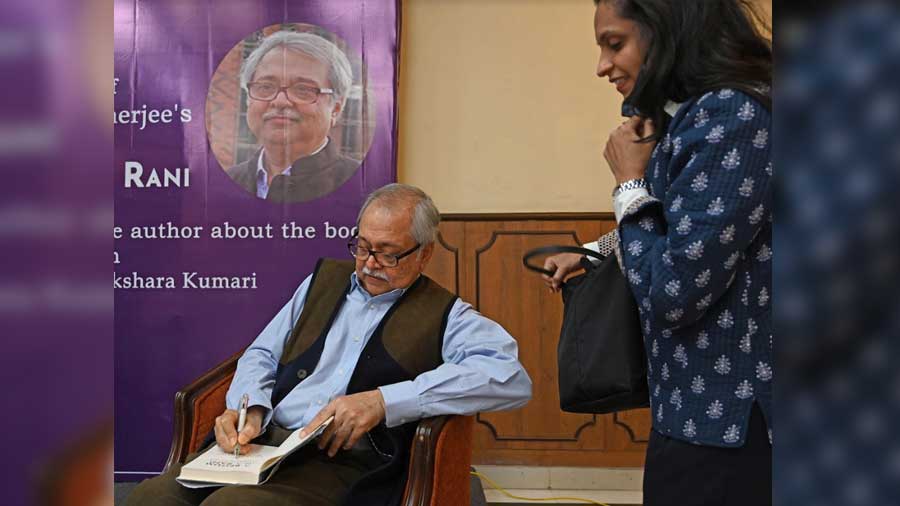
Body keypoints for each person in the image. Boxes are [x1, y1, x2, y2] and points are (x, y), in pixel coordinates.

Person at [126, 183, 532, 505]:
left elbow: (510, 378)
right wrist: (248, 408)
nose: (370, 263)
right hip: (265, 442)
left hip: (340, 461)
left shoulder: (448, 314)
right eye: (362, 247)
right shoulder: (320, 283)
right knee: (150, 498)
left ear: (424, 255)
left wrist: (384, 401)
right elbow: (262, 353)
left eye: (388, 254)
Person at [543, 1, 772, 505]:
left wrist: (628, 182)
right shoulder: (694, 115)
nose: (603, 66)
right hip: (692, 405)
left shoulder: (730, 115)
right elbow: (687, 223)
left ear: (666, 32)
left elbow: (673, 291)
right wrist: (594, 250)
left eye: (615, 43)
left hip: (725, 417)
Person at [225, 31, 361, 203]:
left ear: (336, 108)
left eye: (302, 89)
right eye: (266, 87)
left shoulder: (362, 187)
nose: (280, 101)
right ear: (248, 99)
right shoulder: (225, 183)